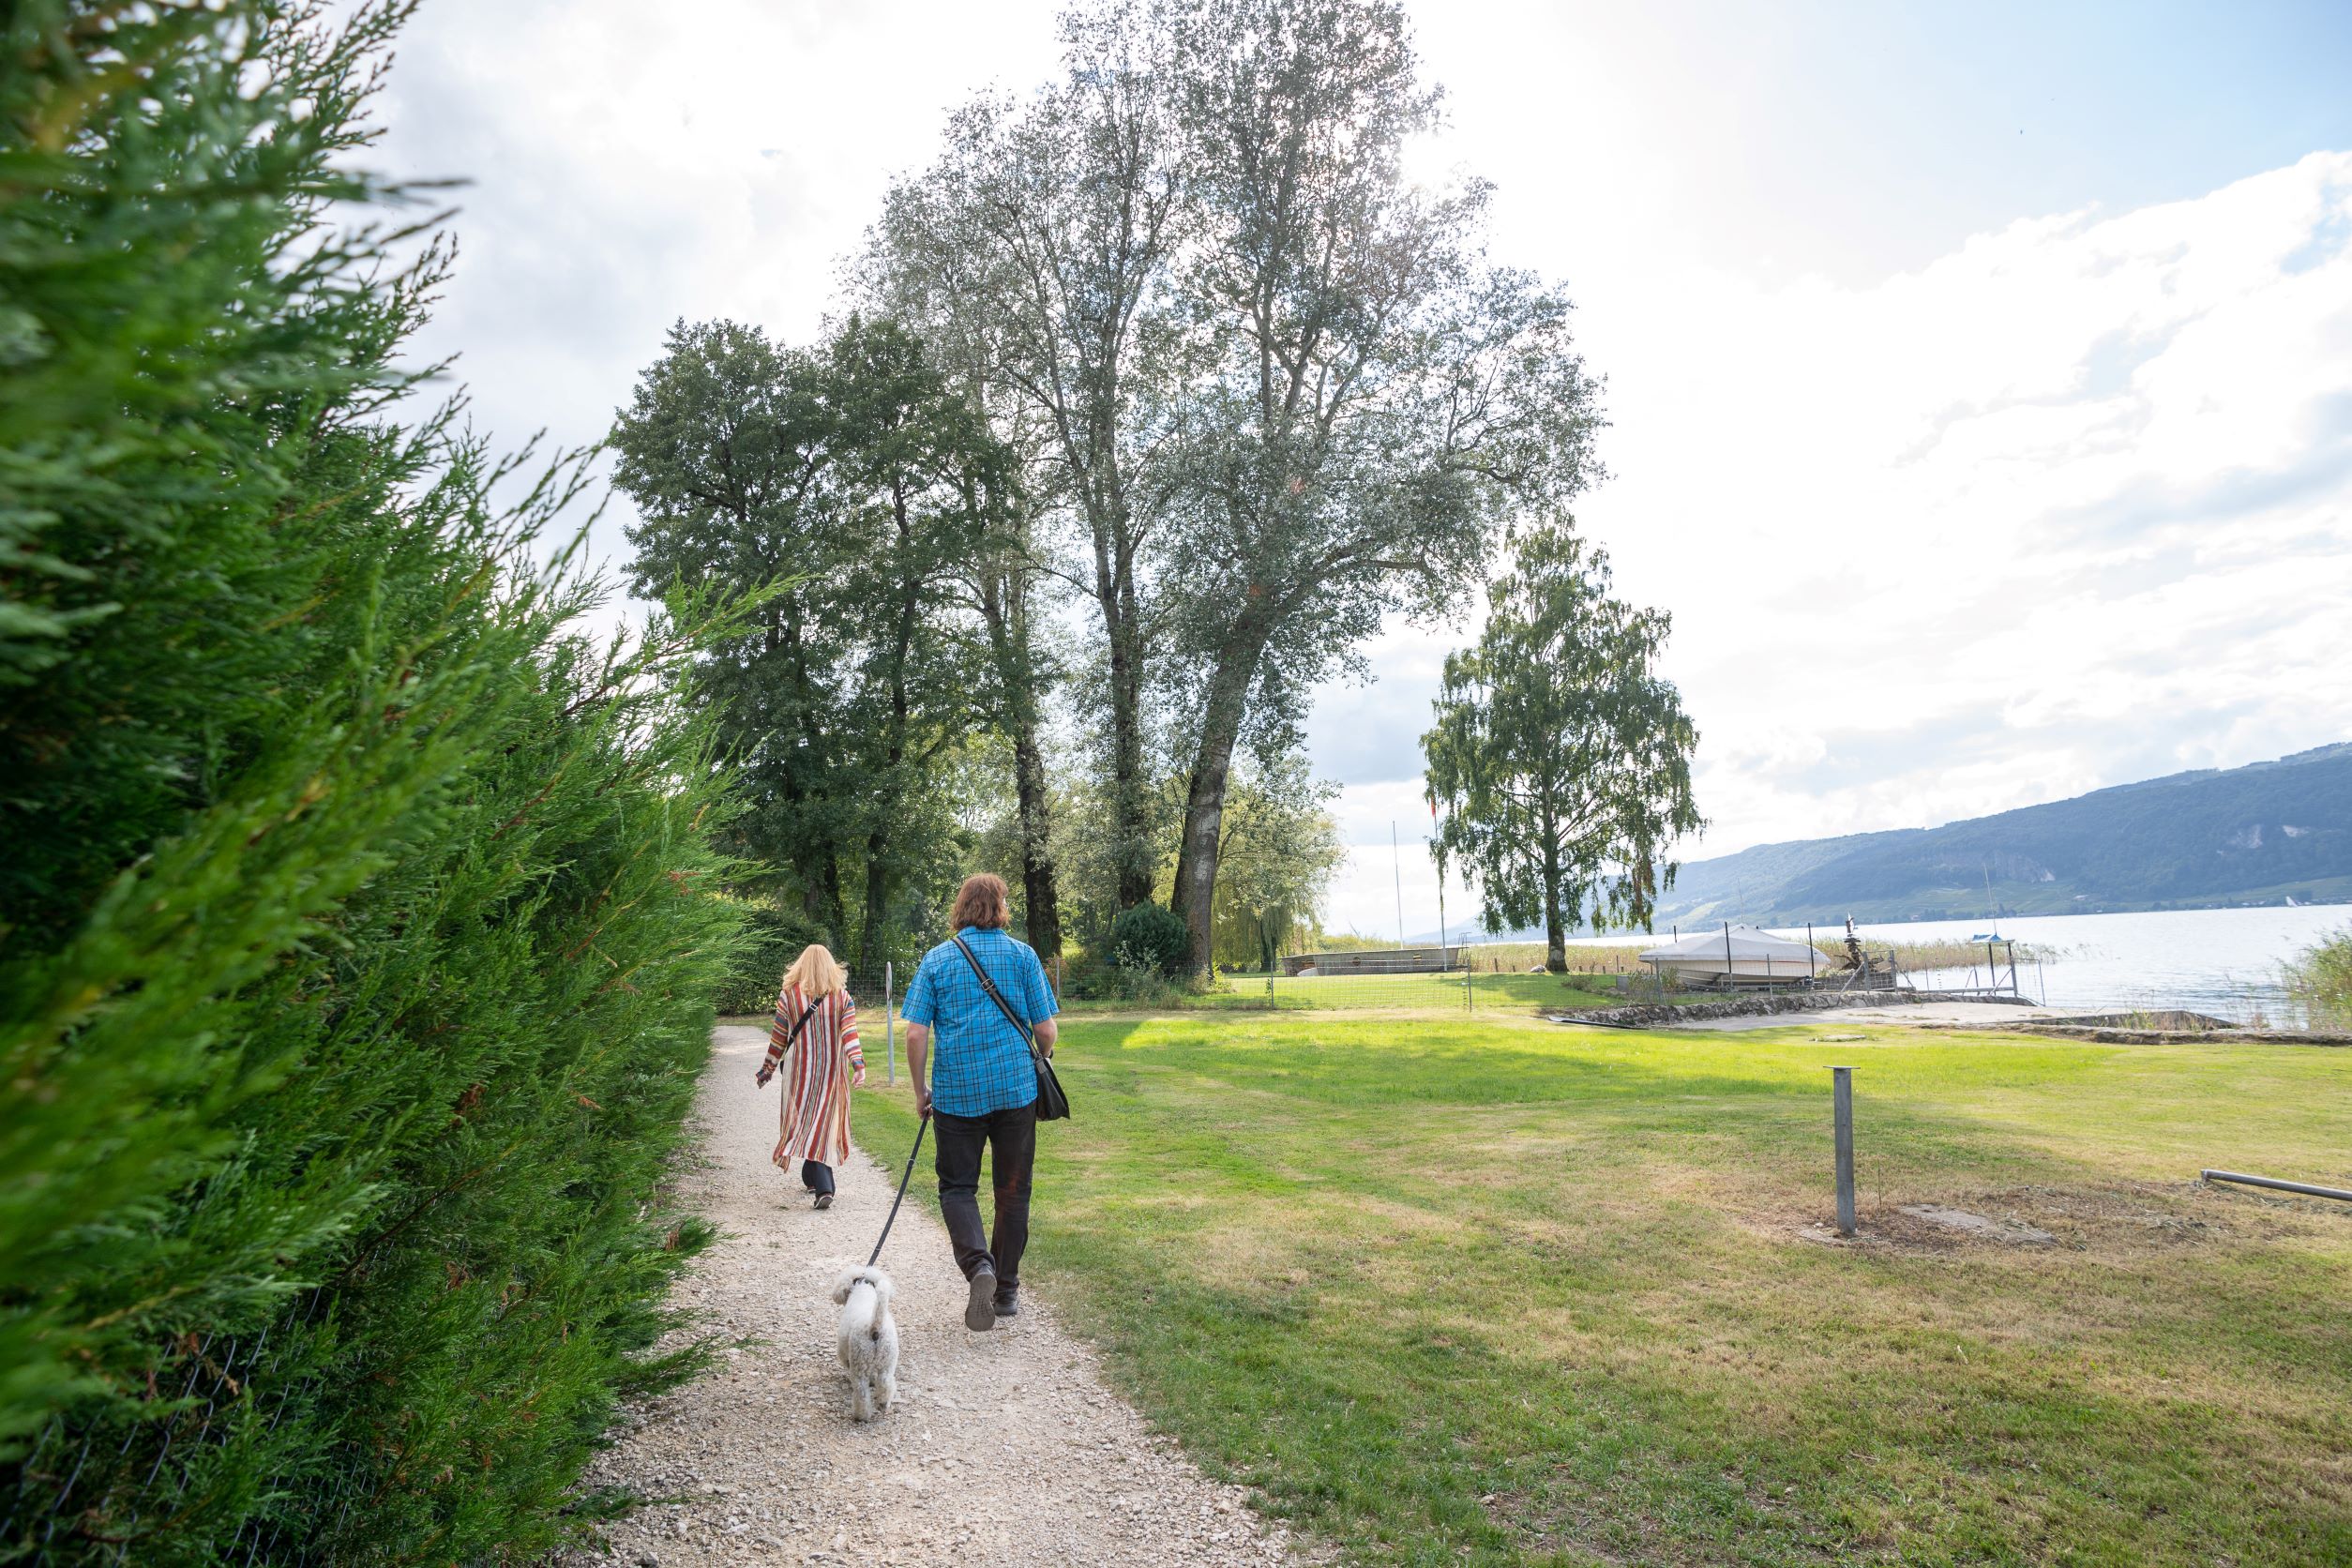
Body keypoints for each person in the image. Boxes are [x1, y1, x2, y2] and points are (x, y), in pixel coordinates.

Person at [900, 873, 1060, 1331]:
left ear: (962, 907)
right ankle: (1006, 1290)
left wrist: (920, 1091)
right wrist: (1041, 1059)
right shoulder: (1023, 956)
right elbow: (1045, 1031)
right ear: (1001, 907)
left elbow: (915, 1032)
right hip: (1015, 1094)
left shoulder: (938, 959)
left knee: (956, 1188)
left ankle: (979, 1268)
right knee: (1013, 1192)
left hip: (957, 1095)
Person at [756, 942, 866, 1209]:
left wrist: (767, 1069)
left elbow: (779, 1039)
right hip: (830, 1071)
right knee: (820, 1123)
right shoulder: (842, 997)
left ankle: (823, 1187)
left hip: (799, 1071)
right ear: (831, 966)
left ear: (801, 965)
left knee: (808, 1120)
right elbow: (849, 1034)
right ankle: (814, 1180)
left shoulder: (789, 996)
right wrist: (858, 1064)